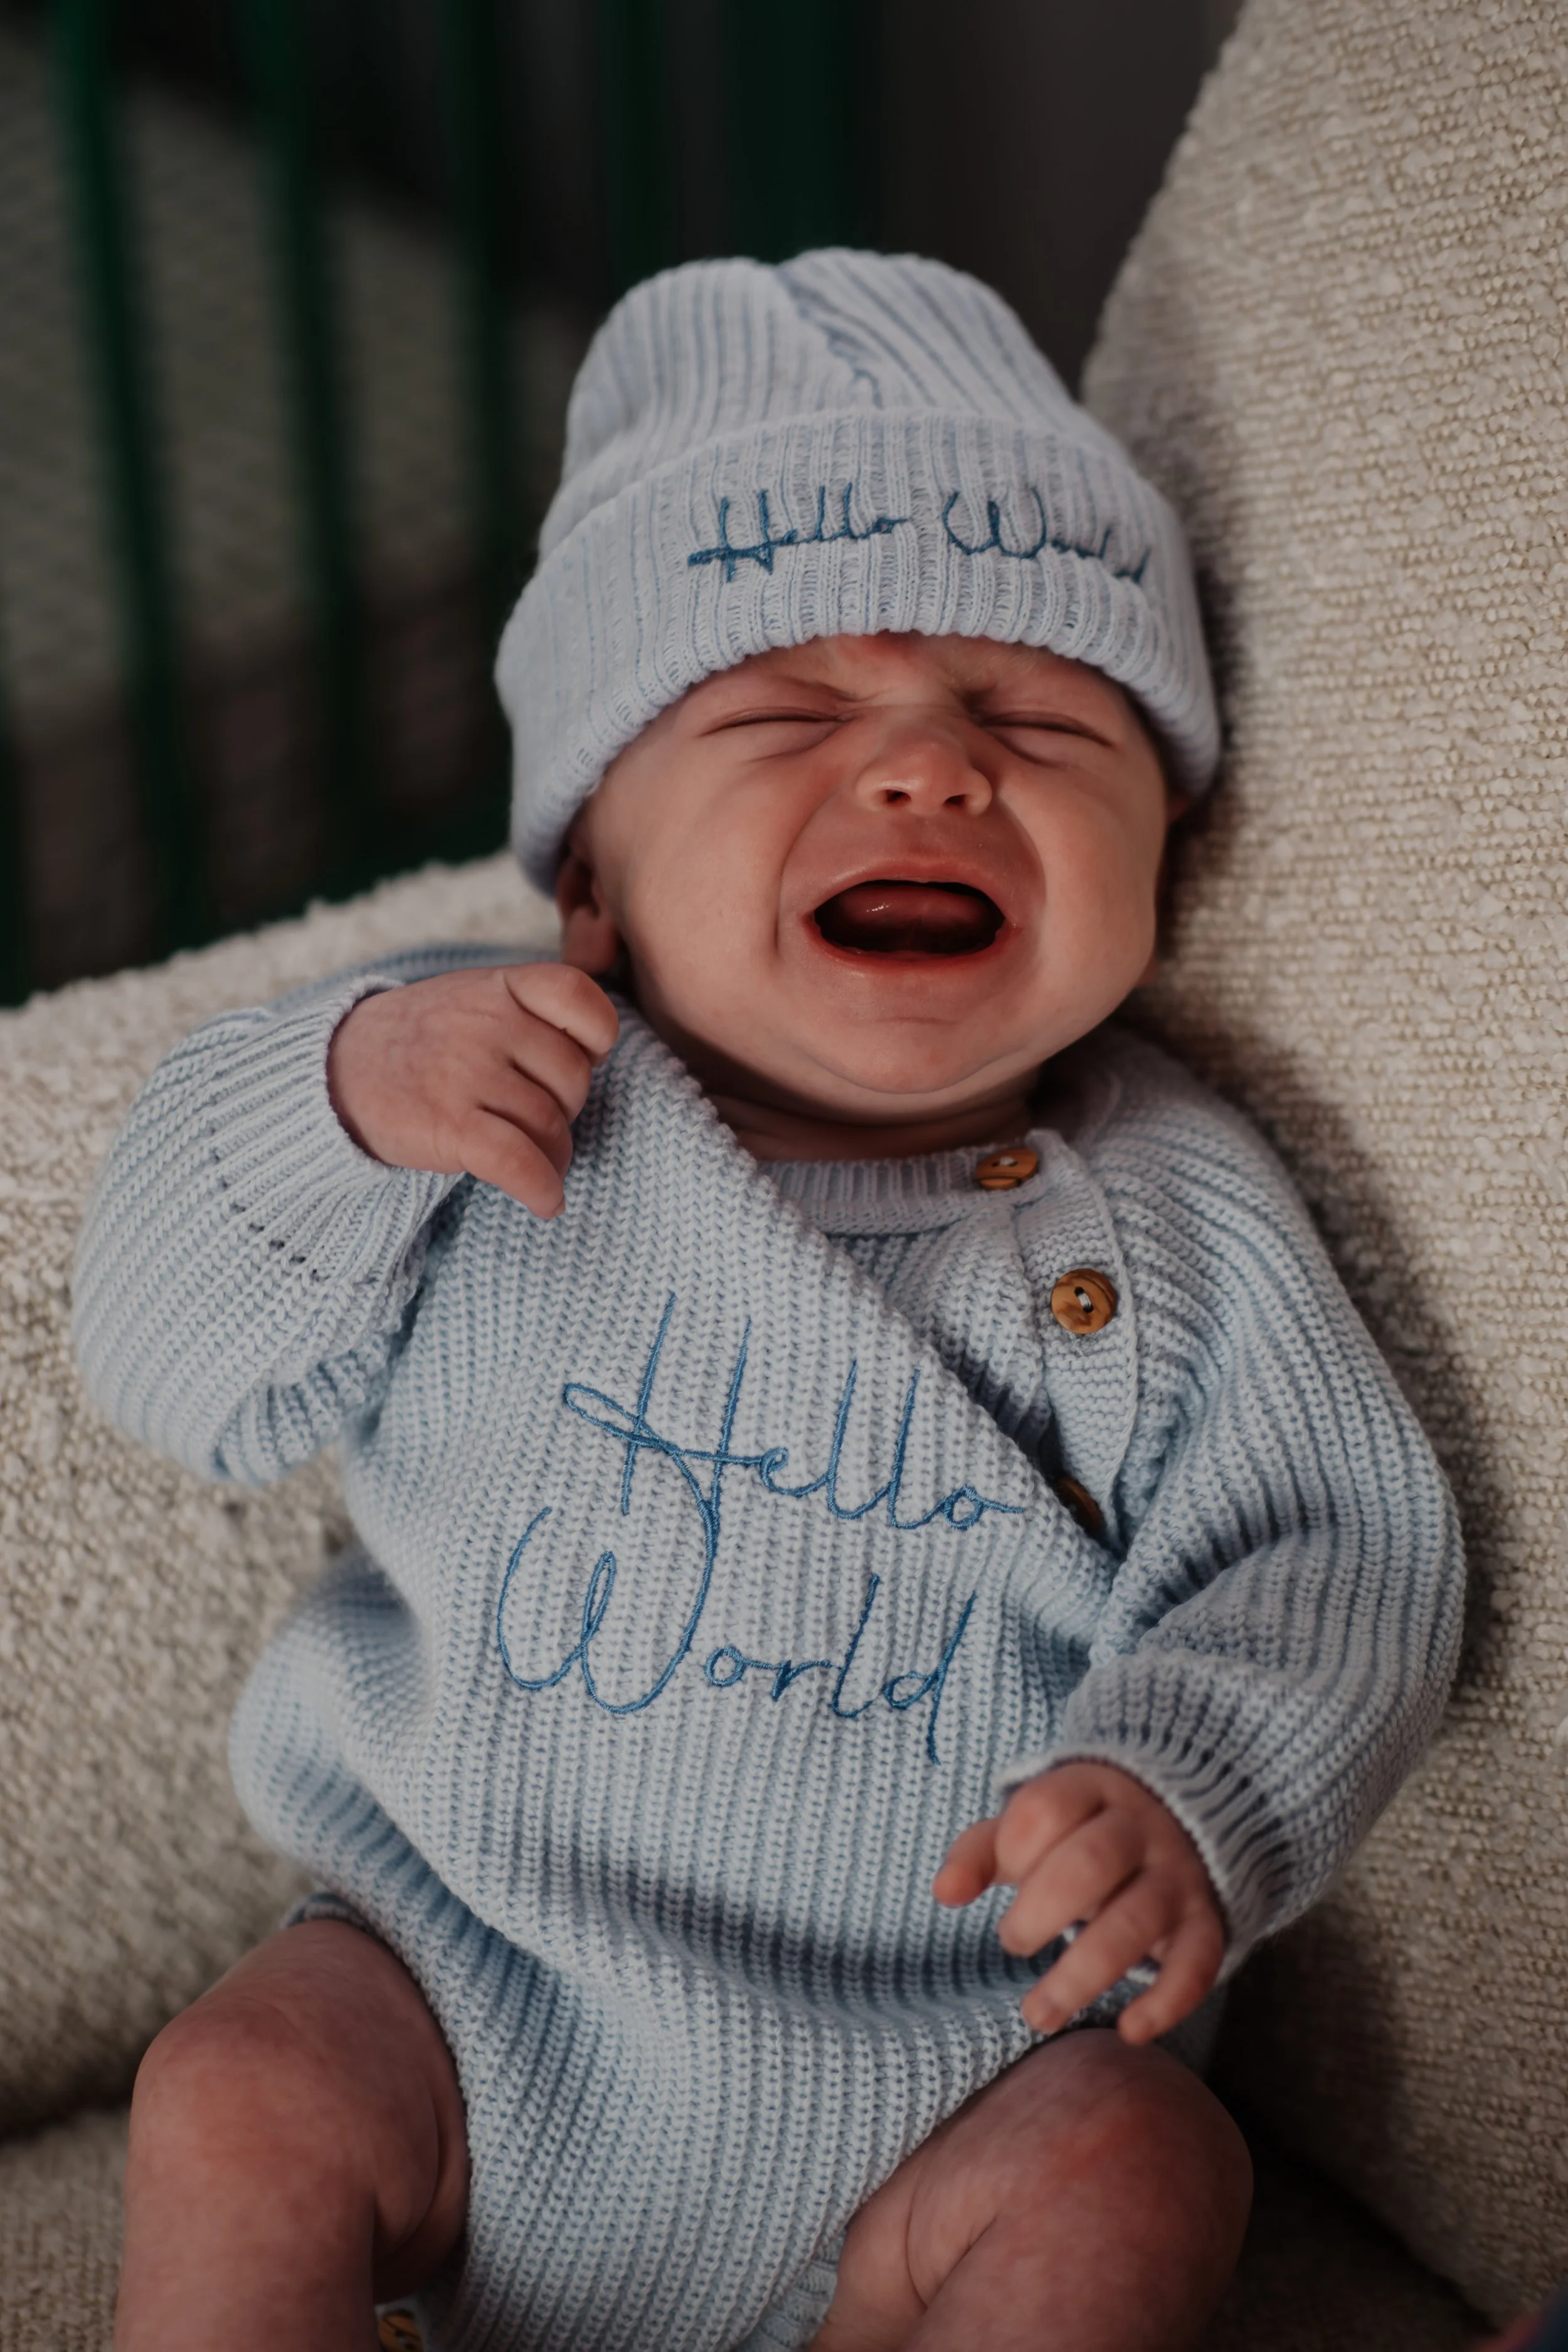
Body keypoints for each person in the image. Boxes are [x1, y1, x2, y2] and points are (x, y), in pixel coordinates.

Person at [74, 251, 1463, 2352]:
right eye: (785, 710)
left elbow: (1330, 1557)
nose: (926, 767)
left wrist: (1194, 1784)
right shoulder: (480, 1084)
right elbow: (171, 1366)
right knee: (233, 2096)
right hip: (458, 2006)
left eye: (1039, 718)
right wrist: (337, 1104)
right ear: (588, 880)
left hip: (950, 2090)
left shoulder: (1170, 1208)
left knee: (1145, 2166)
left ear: (1165, 849)